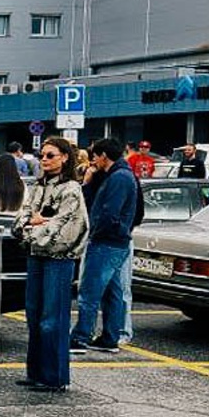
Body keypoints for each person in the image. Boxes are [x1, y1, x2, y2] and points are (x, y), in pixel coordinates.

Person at [12, 136, 88, 394]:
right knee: (33, 316)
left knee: (51, 319)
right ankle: (36, 373)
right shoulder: (38, 186)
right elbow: (21, 218)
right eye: (42, 155)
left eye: (50, 155)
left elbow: (64, 227)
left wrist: (35, 225)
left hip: (58, 259)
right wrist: (33, 224)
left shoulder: (71, 190)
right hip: (36, 256)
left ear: (65, 157)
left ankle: (54, 377)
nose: (44, 159)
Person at [69, 138, 139, 355]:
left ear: (103, 156)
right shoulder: (122, 175)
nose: (93, 161)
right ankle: (110, 337)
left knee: (90, 291)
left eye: (95, 157)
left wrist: (96, 233)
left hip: (106, 242)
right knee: (113, 292)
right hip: (117, 241)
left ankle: (81, 337)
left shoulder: (118, 178)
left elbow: (109, 212)